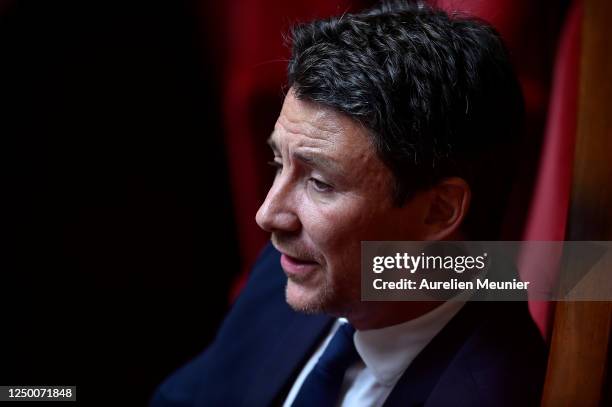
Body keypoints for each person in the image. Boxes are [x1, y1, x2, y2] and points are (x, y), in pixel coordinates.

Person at [151, 1, 547, 406]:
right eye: (278, 162)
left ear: (439, 211)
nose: (268, 215)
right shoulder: (291, 270)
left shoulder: (497, 391)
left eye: (320, 183)